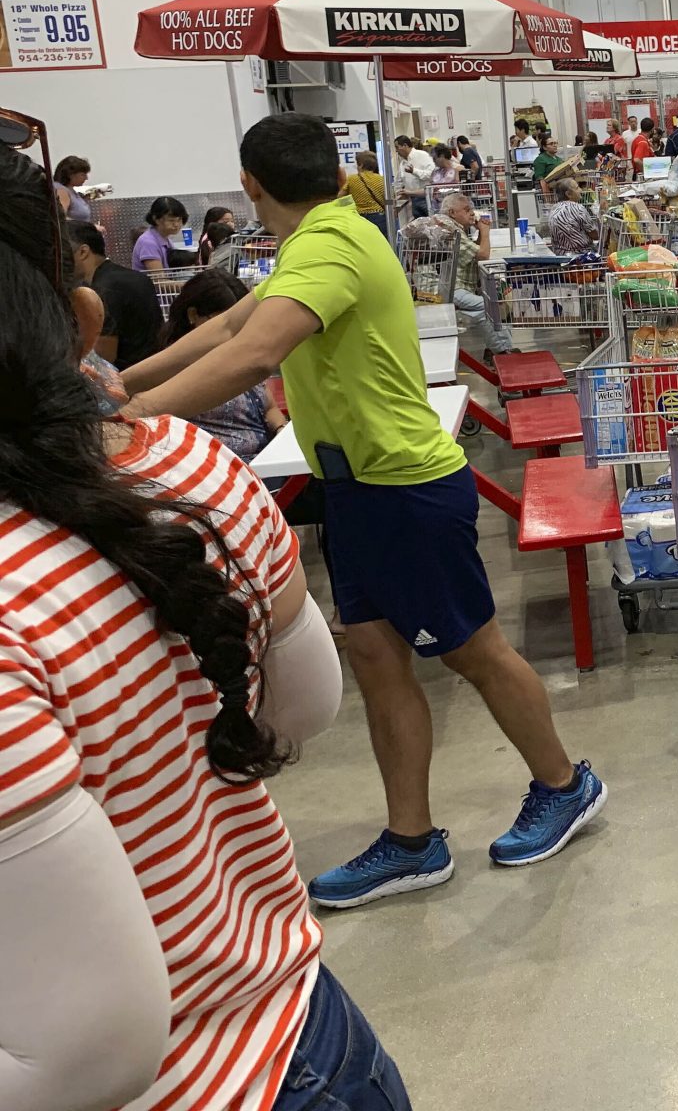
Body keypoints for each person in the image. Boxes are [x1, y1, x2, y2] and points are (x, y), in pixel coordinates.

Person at [0, 153, 409, 1111]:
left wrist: (113, 398)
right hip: (306, 1026)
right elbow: (303, 707)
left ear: (266, 187)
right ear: (81, 316)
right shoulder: (190, 467)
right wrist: (122, 415)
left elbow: (92, 1050)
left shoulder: (329, 246)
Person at [121, 113, 605, 905]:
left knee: (472, 651)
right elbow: (238, 322)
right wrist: (127, 383)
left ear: (250, 183)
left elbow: (253, 352)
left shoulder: (331, 244)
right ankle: (411, 840)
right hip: (356, 491)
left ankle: (565, 784)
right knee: (378, 657)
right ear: (336, 174)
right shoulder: (327, 236)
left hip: (404, 487)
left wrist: (131, 422)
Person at [163, 267, 288, 459]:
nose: (235, 331)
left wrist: (281, 429)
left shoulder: (241, 353)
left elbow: (268, 406)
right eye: (224, 323)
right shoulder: (173, 368)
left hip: (266, 462)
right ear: (193, 315)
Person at [413, 191, 515, 358]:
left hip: (451, 286)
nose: (472, 213)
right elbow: (483, 255)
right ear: (452, 212)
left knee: (489, 302)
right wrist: (485, 231)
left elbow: (475, 253)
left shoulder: (451, 226)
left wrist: (481, 232)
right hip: (440, 289)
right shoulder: (448, 230)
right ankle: (503, 351)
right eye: (466, 210)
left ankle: (499, 348)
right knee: (488, 305)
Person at [67, 218, 165, 369]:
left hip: (128, 377)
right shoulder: (134, 277)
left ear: (83, 252)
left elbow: (105, 357)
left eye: (61, 254)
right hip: (155, 367)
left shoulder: (101, 290)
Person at [543, 177, 599, 254]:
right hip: (581, 256)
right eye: (577, 188)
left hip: (560, 255)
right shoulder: (578, 208)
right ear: (568, 194)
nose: (580, 190)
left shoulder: (554, 209)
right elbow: (595, 235)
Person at [133, 194, 188, 270]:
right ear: (156, 219)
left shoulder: (166, 239)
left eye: (179, 220)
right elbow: (160, 279)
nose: (176, 224)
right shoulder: (148, 243)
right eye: (171, 220)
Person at [346, 148, 388, 235]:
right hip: (379, 217)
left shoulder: (351, 179)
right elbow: (388, 199)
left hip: (359, 217)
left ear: (361, 165)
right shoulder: (381, 179)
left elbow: (340, 196)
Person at [51, 154, 93, 222]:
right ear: (70, 175)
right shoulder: (61, 191)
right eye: (82, 174)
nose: (86, 178)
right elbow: (60, 219)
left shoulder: (70, 190)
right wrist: (89, 227)